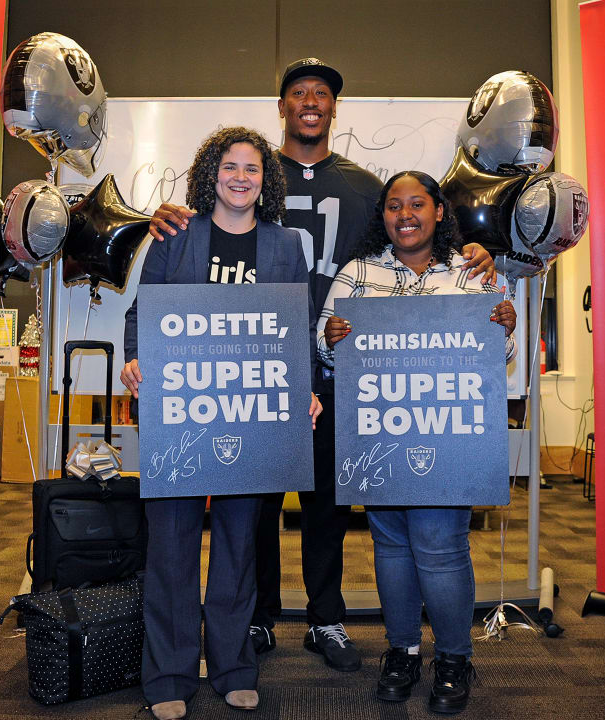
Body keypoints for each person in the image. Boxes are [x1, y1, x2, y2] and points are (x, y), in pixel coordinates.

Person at [148, 58, 496, 672]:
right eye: (298, 93)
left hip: (340, 370)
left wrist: (470, 250)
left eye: (322, 94)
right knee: (249, 500)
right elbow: (202, 244)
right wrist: (168, 218)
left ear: (334, 108)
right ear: (282, 106)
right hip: (253, 363)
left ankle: (326, 617)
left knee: (328, 504)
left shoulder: (365, 185)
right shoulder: (245, 174)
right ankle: (256, 617)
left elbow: (406, 241)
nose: (311, 101)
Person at [121, 126, 322, 720]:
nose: (241, 177)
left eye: (253, 169)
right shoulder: (177, 235)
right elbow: (141, 310)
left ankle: (234, 666)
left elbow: (298, 328)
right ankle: (168, 677)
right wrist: (134, 359)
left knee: (238, 548)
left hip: (251, 416)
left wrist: (303, 391)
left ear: (267, 180)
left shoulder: (286, 245)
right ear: (212, 174)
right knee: (172, 548)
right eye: (230, 166)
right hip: (179, 413)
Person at [318, 170, 516, 715]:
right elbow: (325, 344)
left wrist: (505, 322)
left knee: (439, 544)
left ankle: (453, 657)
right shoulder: (357, 273)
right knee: (391, 546)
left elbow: (495, 355)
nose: (405, 215)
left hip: (445, 438)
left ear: (438, 212)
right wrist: (331, 337)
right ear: (382, 216)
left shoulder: (470, 270)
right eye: (393, 206)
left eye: (417, 204)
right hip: (380, 435)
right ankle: (403, 650)